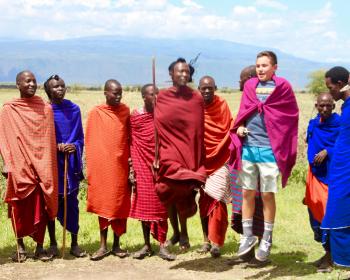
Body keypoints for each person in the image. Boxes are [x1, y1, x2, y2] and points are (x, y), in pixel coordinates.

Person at [229, 51, 299, 266]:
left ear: (274, 67)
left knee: (267, 194)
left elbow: (290, 115)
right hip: (249, 148)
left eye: (265, 65)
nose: (260, 69)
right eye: (258, 65)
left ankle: (266, 238)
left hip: (270, 149)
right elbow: (244, 111)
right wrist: (239, 127)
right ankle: (247, 236)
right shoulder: (250, 86)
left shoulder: (283, 87)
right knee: (248, 192)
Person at [0, 70, 58, 262]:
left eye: (34, 81)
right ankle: (20, 245)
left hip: (42, 165)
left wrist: (45, 165)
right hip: (19, 166)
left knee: (41, 206)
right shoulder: (9, 109)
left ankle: (40, 247)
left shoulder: (45, 108)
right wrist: (7, 163)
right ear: (18, 84)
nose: (32, 84)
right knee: (18, 205)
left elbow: (47, 139)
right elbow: (4, 139)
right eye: (27, 81)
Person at [154, 58, 207, 251]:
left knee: (183, 192)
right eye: (180, 71)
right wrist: (156, 155)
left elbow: (197, 130)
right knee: (168, 189)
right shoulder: (162, 97)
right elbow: (157, 128)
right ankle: (176, 232)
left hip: (188, 152)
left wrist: (197, 157)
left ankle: (183, 233)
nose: (184, 75)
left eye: (187, 72)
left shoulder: (196, 98)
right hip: (167, 151)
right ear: (171, 74)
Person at [86, 79, 131, 261]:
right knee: (104, 203)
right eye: (114, 93)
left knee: (119, 204)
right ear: (105, 93)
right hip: (103, 166)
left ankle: (117, 244)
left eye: (120, 92)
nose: (118, 96)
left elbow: (130, 137)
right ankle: (103, 245)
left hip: (120, 166)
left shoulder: (125, 111)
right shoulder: (96, 113)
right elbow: (91, 141)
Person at [129, 84, 175, 261]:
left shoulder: (165, 116)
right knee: (144, 206)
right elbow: (131, 141)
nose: (156, 97)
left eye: (158, 94)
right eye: (151, 94)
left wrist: (163, 158)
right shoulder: (136, 116)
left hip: (160, 166)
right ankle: (147, 244)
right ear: (143, 96)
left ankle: (163, 245)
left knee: (162, 206)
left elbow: (171, 141)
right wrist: (132, 167)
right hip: (142, 164)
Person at [43, 74, 86, 258]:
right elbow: (41, 138)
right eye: (55, 87)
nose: (60, 89)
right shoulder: (44, 111)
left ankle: (75, 244)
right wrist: (55, 146)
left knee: (72, 204)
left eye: (62, 86)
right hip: (51, 164)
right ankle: (53, 243)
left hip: (70, 164)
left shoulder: (74, 109)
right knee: (51, 204)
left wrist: (73, 146)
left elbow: (80, 137)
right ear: (48, 91)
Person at [230, 66, 265, 263]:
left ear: (251, 79)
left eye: (242, 79)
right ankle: (247, 252)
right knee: (243, 208)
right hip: (242, 162)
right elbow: (237, 127)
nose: (239, 83)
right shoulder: (247, 101)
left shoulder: (264, 102)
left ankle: (260, 253)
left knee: (259, 205)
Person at [197, 76, 233, 258]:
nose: (206, 91)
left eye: (210, 88)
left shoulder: (222, 105)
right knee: (203, 201)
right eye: (203, 88)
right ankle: (206, 241)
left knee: (217, 199)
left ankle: (217, 242)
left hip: (220, 159)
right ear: (198, 89)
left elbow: (228, 130)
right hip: (201, 161)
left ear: (215, 88)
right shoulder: (195, 107)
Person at [304, 92, 340, 272]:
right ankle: (326, 253)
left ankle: (332, 257)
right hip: (314, 176)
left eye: (328, 105)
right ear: (316, 105)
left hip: (331, 178)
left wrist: (328, 151)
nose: (324, 109)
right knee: (315, 215)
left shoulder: (339, 124)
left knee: (328, 216)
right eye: (321, 105)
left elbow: (344, 146)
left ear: (333, 106)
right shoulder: (313, 124)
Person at [320, 66, 350, 268]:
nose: (329, 92)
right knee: (336, 211)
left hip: (346, 171)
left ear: (340, 85)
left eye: (330, 88)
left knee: (341, 213)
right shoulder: (346, 106)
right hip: (339, 171)